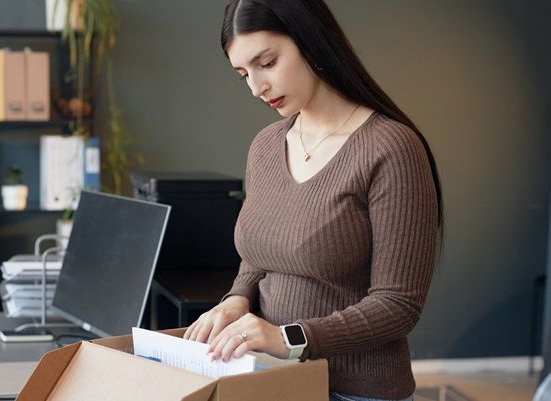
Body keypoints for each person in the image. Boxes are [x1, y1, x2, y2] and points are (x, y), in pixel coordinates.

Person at [182, 1, 443, 400]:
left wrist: (290, 338)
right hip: (272, 379)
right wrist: (236, 299)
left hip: (354, 390)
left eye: (266, 62)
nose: (256, 87)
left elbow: (398, 304)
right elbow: (259, 254)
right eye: (243, 75)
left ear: (311, 40)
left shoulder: (391, 149)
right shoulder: (266, 146)